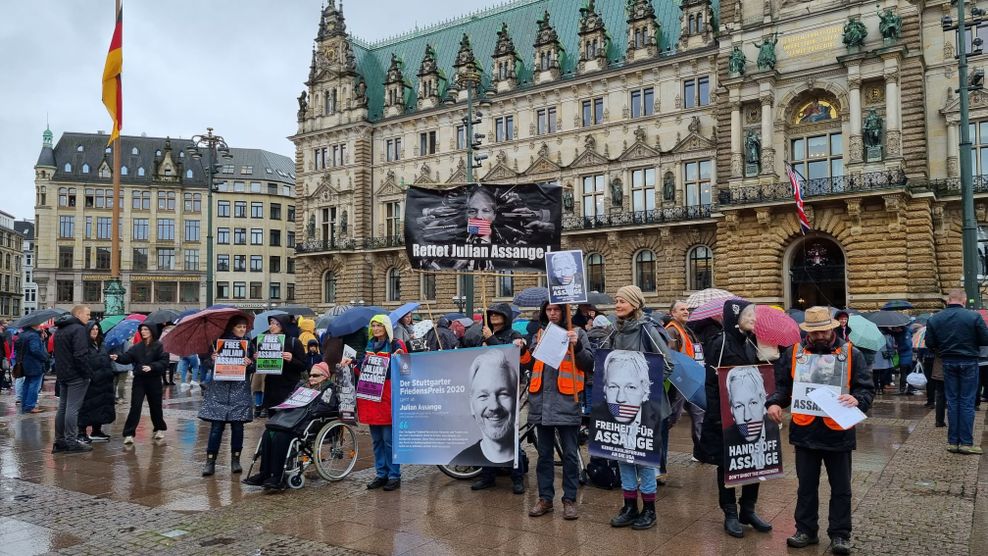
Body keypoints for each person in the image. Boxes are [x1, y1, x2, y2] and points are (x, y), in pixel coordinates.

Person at [766, 306, 873, 555]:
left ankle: (840, 535)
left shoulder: (851, 353)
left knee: (841, 488)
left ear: (832, 328)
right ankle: (806, 531)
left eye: (824, 331)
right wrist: (773, 402)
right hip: (805, 432)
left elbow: (866, 389)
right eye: (815, 332)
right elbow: (782, 387)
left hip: (838, 432)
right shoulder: (793, 353)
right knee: (806, 486)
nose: (820, 336)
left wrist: (858, 399)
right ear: (808, 332)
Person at [697, 299, 774, 538]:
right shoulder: (719, 344)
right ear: (735, 317)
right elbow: (712, 383)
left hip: (754, 415)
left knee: (754, 461)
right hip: (727, 417)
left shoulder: (752, 342)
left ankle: (747, 510)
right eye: (748, 314)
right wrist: (718, 415)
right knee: (727, 465)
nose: (753, 318)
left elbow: (766, 374)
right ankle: (729, 513)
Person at [598, 285, 671, 530]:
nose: (617, 305)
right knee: (621, 455)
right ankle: (629, 506)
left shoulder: (648, 330)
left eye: (622, 301)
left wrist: (640, 380)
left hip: (647, 408)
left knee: (644, 459)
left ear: (635, 304)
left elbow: (667, 365)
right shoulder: (613, 331)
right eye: (616, 301)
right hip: (619, 407)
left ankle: (649, 509)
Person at [522, 301, 594, 521]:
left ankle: (569, 499)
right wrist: (525, 348)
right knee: (544, 456)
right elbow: (530, 364)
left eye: (556, 310)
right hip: (541, 403)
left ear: (564, 312)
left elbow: (589, 364)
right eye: (548, 310)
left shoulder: (578, 333)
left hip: (566, 402)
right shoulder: (539, 334)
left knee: (570, 455)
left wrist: (578, 346)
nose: (552, 314)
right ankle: (545, 499)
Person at [243, 362, 338, 491]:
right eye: (310, 375)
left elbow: (325, 407)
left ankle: (277, 477)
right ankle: (264, 473)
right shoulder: (302, 386)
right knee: (268, 433)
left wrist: (307, 408)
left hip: (308, 421)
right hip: (291, 418)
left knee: (281, 437)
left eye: (315, 375)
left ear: (325, 376)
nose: (311, 378)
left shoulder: (328, 388)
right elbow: (289, 399)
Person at [465, 304, 526, 493]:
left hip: (507, 394)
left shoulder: (514, 335)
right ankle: (487, 476)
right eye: (491, 314)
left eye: (498, 314)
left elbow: (512, 354)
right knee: (488, 435)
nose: (493, 316)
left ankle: (517, 478)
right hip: (489, 393)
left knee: (510, 436)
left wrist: (491, 339)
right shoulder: (483, 335)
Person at [925, 289, 988, 455]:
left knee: (952, 402)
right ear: (964, 300)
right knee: (967, 402)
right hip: (969, 361)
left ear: (948, 301)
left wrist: (943, 350)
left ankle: (953, 442)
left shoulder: (935, 319)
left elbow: (930, 343)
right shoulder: (974, 317)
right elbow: (985, 339)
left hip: (948, 361)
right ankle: (966, 443)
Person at [349, 314, 406, 491]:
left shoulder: (396, 344)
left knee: (389, 440)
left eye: (379, 325)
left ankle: (394, 475)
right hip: (371, 397)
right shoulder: (369, 345)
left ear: (386, 327)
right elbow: (362, 368)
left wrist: (400, 358)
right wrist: (351, 364)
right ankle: (381, 473)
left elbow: (406, 368)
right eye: (373, 325)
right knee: (377, 440)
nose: (376, 328)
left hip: (388, 396)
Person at [199, 316, 255, 477]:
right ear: (232, 328)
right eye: (239, 327)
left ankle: (235, 460)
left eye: (244, 327)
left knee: (238, 427)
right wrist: (212, 359)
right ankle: (210, 461)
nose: (242, 330)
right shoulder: (218, 344)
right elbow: (206, 364)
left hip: (240, 391)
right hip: (219, 392)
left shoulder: (248, 345)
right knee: (216, 428)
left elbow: (254, 367)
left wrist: (249, 363)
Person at [450, 349, 519, 469]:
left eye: (503, 394)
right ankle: (487, 477)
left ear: (515, 399)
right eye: (483, 396)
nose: (494, 406)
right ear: (472, 405)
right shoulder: (460, 459)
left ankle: (516, 478)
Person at [111, 323, 169, 444]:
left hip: (154, 380)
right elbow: (128, 357)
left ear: (152, 331)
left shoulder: (160, 346)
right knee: (135, 406)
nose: (143, 332)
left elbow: (164, 362)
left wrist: (152, 367)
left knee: (156, 406)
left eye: (146, 329)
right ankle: (129, 433)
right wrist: (118, 357)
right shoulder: (137, 347)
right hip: (140, 380)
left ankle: (159, 428)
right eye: (141, 330)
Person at [665, 300, 706, 459]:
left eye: (687, 309)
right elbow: (672, 357)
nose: (686, 311)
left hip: (691, 381)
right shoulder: (672, 331)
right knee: (672, 417)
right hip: (680, 382)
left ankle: (701, 452)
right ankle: (657, 441)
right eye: (682, 309)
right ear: (673, 313)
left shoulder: (686, 329)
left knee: (699, 414)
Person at [53, 305, 94, 453]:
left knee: (63, 407)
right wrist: (87, 373)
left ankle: (59, 440)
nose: (89, 317)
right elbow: (80, 355)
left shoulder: (60, 329)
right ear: (78, 314)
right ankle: (71, 441)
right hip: (76, 374)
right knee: (72, 408)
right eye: (87, 314)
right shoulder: (78, 329)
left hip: (63, 374)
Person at [722, 366, 781, 452]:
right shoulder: (728, 438)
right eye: (739, 406)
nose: (747, 416)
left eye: (753, 403)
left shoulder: (773, 431)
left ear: (763, 402)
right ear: (732, 410)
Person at [256, 315, 306, 413]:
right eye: (271, 323)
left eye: (276, 324)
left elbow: (303, 366)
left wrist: (292, 359)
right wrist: (258, 358)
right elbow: (261, 366)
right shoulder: (264, 341)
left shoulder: (294, 342)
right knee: (272, 419)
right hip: (271, 389)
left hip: (288, 388)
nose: (272, 326)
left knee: (286, 418)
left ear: (284, 325)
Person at [78, 322, 115, 442]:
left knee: (101, 406)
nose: (95, 331)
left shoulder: (101, 345)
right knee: (87, 407)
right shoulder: (84, 345)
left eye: (97, 329)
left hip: (104, 382)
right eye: (92, 329)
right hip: (92, 382)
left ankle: (97, 430)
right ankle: (82, 432)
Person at [16, 323, 49, 414]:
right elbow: (35, 350)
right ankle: (30, 406)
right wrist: (45, 357)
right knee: (34, 385)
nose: (39, 325)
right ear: (33, 325)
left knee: (27, 384)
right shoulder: (33, 335)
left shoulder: (22, 334)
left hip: (25, 363)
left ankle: (25, 405)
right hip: (34, 364)